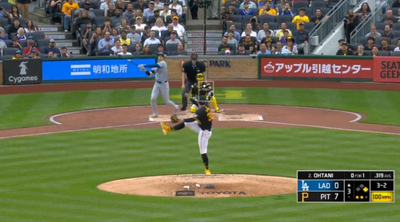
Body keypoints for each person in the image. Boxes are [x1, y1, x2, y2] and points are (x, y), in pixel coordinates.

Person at [160, 99, 213, 175]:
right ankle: (168, 129)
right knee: (186, 123)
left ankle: (207, 169)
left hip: (204, 132)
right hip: (203, 127)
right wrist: (193, 102)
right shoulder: (207, 108)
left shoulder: (200, 111)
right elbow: (197, 109)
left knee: (203, 151)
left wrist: (180, 119)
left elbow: (192, 119)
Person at [138, 52, 179, 118]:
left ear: (163, 57)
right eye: (159, 56)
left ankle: (176, 106)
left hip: (164, 85)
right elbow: (150, 74)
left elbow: (157, 66)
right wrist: (144, 70)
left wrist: (144, 65)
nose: (160, 57)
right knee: (153, 98)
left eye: (161, 56)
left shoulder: (163, 63)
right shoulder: (155, 66)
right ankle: (155, 113)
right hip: (157, 84)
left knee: (167, 101)